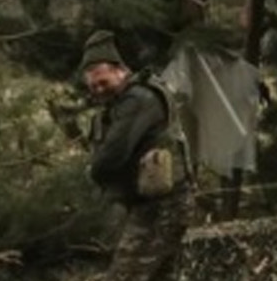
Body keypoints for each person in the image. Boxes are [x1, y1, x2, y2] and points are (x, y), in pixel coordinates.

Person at [80, 30, 195, 281]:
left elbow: (113, 155)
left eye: (104, 82)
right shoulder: (121, 105)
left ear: (120, 71)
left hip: (161, 208)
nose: (99, 90)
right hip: (157, 205)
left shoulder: (140, 99)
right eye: (94, 86)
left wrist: (93, 171)